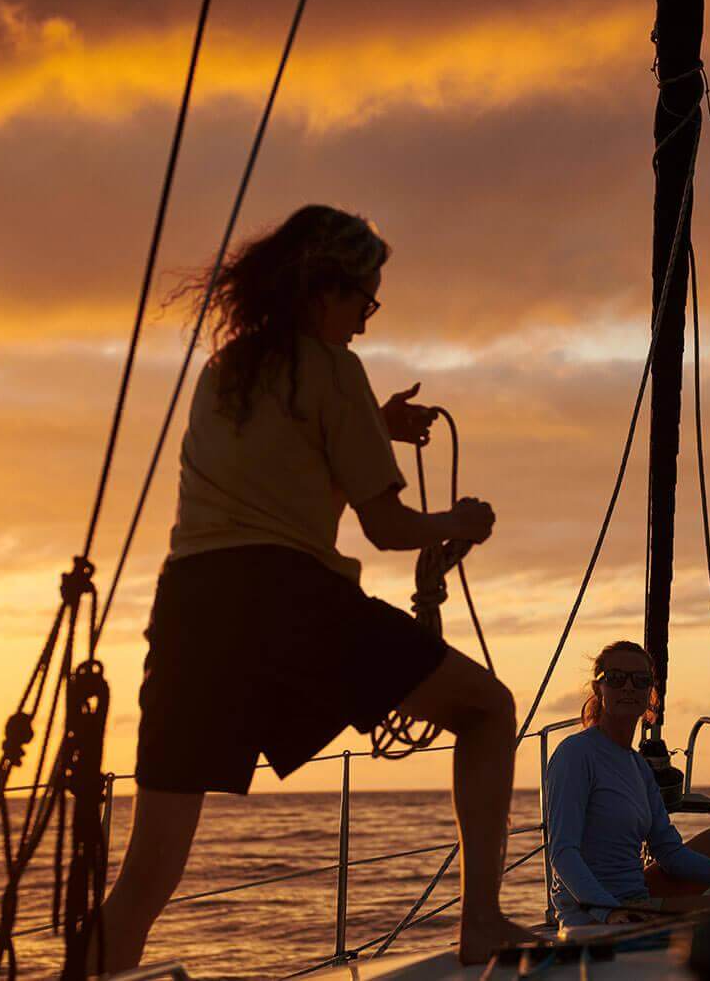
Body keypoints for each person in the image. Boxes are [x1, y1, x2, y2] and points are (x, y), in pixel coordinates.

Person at [97, 204, 534, 970]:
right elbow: (386, 527)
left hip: (191, 610)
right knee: (488, 709)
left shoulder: (224, 373)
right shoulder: (335, 372)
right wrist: (455, 520)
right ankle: (482, 922)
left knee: (144, 878)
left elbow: (291, 435)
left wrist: (374, 422)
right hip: (287, 596)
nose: (365, 321)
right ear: (320, 290)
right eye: (362, 299)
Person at [544, 640, 710, 926]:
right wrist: (609, 912)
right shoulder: (575, 755)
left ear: (650, 691)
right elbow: (563, 852)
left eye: (640, 681)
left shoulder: (638, 766)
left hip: (637, 899)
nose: (628, 687)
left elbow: (671, 854)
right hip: (594, 914)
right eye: (616, 679)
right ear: (598, 689)